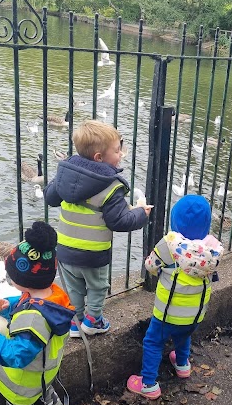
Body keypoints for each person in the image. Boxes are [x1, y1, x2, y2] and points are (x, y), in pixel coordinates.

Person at [44, 120, 151, 337]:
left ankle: (75, 322)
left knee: (73, 287)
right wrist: (141, 213)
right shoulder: (111, 186)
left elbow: (50, 197)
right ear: (99, 158)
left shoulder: (65, 176)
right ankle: (94, 321)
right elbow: (119, 221)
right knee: (97, 286)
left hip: (64, 248)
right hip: (94, 252)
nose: (121, 154)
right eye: (117, 150)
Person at [0, 221, 75, 405]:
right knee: (46, 390)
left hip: (26, 379)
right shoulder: (54, 297)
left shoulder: (34, 319)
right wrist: (9, 306)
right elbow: (30, 302)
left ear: (25, 279)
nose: (10, 281)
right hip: (46, 369)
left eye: (12, 276)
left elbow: (18, 355)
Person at [127, 195, 223, 399]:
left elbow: (151, 266)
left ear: (175, 222)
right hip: (195, 315)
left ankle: (149, 384)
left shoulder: (169, 245)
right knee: (183, 335)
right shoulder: (212, 250)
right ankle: (182, 365)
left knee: (153, 342)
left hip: (167, 313)